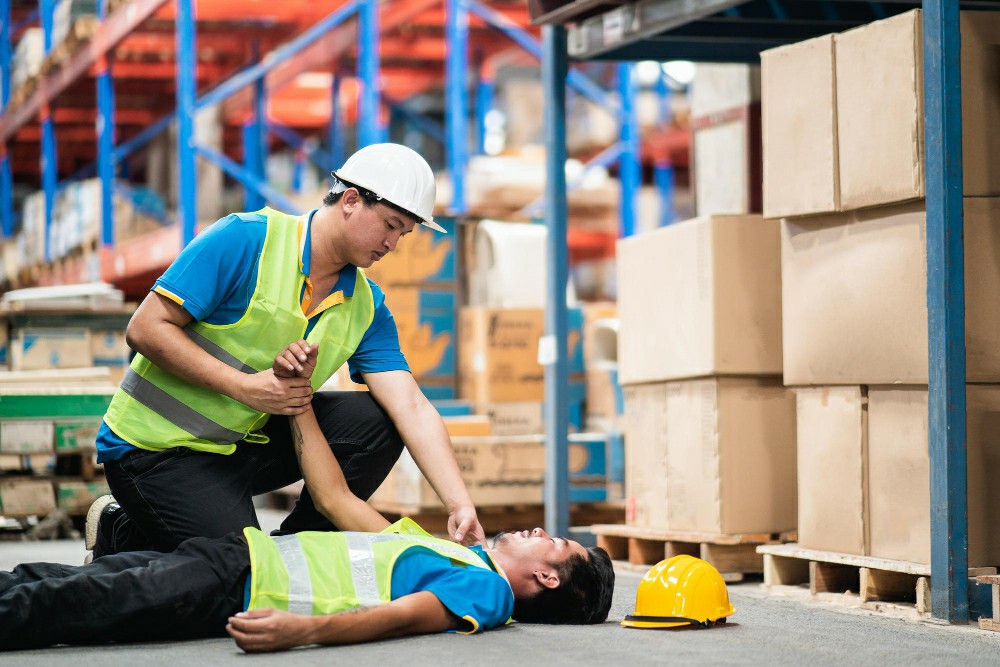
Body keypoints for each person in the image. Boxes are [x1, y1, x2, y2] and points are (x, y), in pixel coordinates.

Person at [0, 345, 615, 652]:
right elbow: (333, 498)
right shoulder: (441, 551)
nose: (539, 529)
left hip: (240, 589)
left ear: (548, 578)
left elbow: (396, 619)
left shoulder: (487, 592)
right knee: (75, 578)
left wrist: (304, 630)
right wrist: (297, 398)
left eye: (554, 542)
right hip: (241, 558)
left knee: (94, 600)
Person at [88, 143, 487, 561]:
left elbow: (412, 406)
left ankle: (300, 549)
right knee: (236, 572)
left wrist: (458, 503)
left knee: (379, 422)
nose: (392, 243)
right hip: (155, 451)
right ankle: (124, 531)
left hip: (241, 447)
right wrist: (243, 387)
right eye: (390, 225)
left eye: (403, 233)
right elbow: (145, 328)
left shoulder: (367, 305)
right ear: (351, 200)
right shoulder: (245, 239)